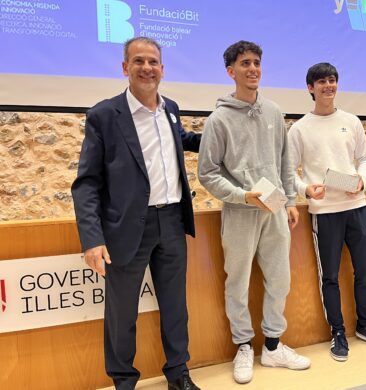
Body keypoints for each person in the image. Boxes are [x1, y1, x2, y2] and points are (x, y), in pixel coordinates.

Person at [71, 37, 201, 390]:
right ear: (125, 67)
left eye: (154, 62)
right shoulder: (104, 115)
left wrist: (224, 135)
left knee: (176, 306)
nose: (148, 68)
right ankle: (124, 381)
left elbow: (184, 140)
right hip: (127, 229)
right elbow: (86, 183)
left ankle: (179, 374)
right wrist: (92, 239)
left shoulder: (170, 109)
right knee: (122, 312)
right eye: (139, 61)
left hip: (172, 222)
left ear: (163, 68)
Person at [197, 40, 310, 384]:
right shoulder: (218, 120)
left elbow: (284, 160)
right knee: (239, 281)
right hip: (241, 212)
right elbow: (208, 173)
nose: (253, 69)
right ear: (231, 71)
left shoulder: (274, 112)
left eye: (257, 62)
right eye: (245, 63)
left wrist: (290, 200)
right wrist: (244, 196)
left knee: (280, 279)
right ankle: (244, 345)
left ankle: (273, 346)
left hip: (275, 210)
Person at [288, 63, 366, 362]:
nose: (328, 86)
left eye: (332, 80)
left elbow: (365, 158)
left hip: (357, 208)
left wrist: (362, 179)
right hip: (325, 212)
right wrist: (306, 189)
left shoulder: (352, 121)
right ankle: (337, 332)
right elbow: (288, 171)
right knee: (330, 277)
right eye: (321, 82)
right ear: (310, 88)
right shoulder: (299, 129)